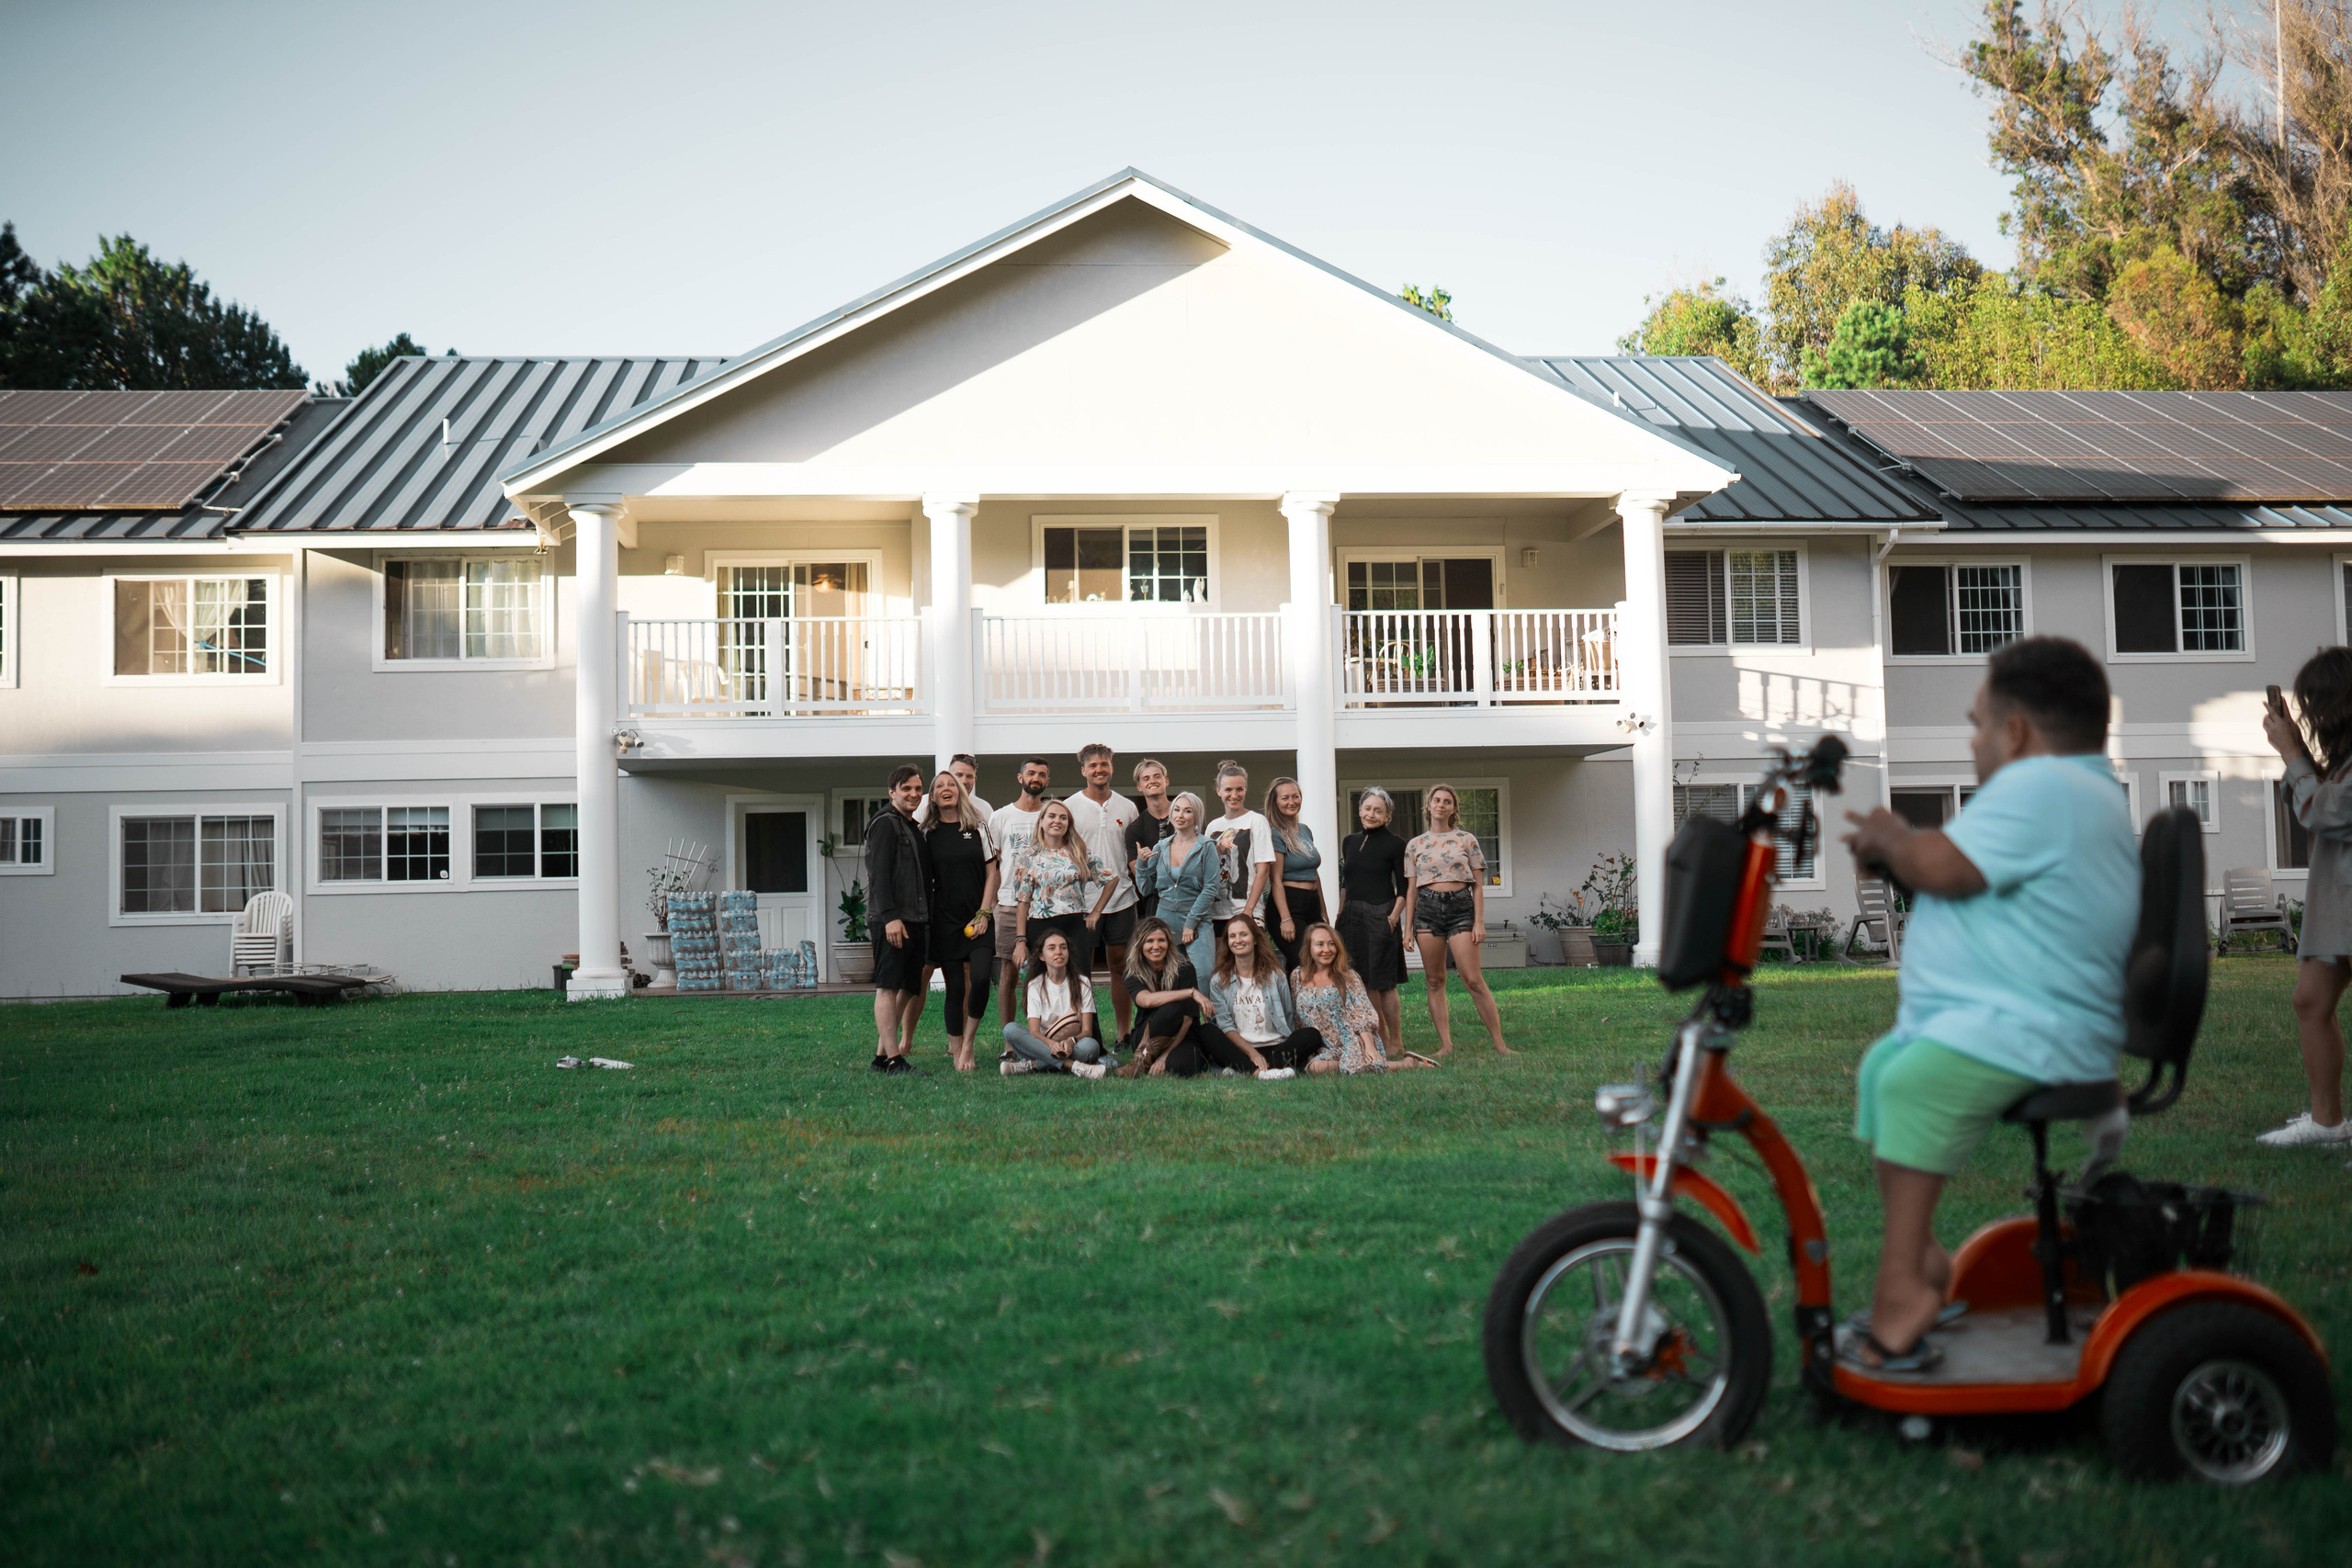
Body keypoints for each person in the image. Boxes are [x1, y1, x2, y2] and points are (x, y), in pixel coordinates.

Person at [1838, 636, 2138, 1371]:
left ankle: (1905, 1291)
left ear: (2016, 731)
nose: (1972, 741)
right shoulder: (2071, 790)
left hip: (2040, 1028)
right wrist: (1900, 856)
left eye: (1977, 725)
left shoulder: (2045, 786)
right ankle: (1924, 1257)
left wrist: (1893, 835)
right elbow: (1969, 878)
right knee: (1884, 1069)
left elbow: (1943, 865)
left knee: (1913, 1083)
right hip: (2014, 1018)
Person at [2258, 647, 2352, 1146]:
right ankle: (2327, 1123)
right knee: (2311, 1000)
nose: (2312, 715)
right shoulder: (2343, 761)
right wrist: (2298, 754)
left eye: (2316, 703)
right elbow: (2311, 798)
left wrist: (2292, 754)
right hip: (2335, 900)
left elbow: (2325, 812)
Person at [1401, 784, 1510, 1056]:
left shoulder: (1466, 839)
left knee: (1473, 979)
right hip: (1426, 910)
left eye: (1447, 801)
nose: (1441, 805)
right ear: (1428, 806)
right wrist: (1407, 928)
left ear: (1453, 809)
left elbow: (1478, 886)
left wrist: (1479, 922)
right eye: (1436, 800)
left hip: (1461, 908)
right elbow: (1411, 890)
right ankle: (1446, 1045)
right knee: (1434, 981)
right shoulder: (1415, 845)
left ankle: (1500, 1044)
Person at [922, 768, 1000, 1073]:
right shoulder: (927, 833)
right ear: (932, 797)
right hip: (945, 921)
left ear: (960, 792)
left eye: (951, 784)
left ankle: (969, 1042)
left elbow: (992, 872)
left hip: (978, 916)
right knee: (955, 987)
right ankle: (956, 1050)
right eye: (939, 785)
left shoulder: (977, 827)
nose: (946, 788)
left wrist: (984, 913)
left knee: (980, 979)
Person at [1066, 742, 1142, 1037]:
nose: (1099, 770)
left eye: (1104, 764)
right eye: (1093, 765)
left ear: (1111, 767)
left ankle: (1123, 1035)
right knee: (1080, 971)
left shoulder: (1127, 807)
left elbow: (1134, 853)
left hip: (1122, 898)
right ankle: (1086, 1035)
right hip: (1081, 902)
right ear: (1083, 771)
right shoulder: (1070, 807)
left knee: (1121, 967)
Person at [860, 763, 933, 1076]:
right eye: (906, 789)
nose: (914, 794)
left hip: (914, 918)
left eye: (918, 789)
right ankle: (894, 1059)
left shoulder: (912, 826)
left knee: (910, 985)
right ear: (892, 792)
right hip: (891, 920)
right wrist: (890, 917)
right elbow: (879, 875)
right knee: (888, 986)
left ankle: (881, 1058)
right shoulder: (885, 824)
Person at [1292, 922, 1433, 1075]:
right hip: (1322, 1047)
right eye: (1320, 944)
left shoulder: (1348, 977)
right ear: (1309, 948)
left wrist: (1369, 1047)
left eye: (1331, 944)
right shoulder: (1297, 976)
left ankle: (1405, 1064)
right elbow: (1297, 1017)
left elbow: (1362, 1011)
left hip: (1352, 1039)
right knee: (1315, 1067)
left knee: (1333, 1066)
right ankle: (1373, 1065)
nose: (1326, 950)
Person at [1010, 797, 1114, 994]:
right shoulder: (1028, 857)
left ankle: (1082, 1016)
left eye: (1063, 818)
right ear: (1041, 822)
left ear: (1068, 824)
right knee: (1041, 985)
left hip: (1074, 926)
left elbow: (1111, 879)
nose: (1057, 821)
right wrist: (1020, 941)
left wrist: (1096, 913)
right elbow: (1023, 902)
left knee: (1081, 983)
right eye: (1052, 816)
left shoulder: (1079, 852)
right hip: (1040, 926)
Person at [1336, 786, 1410, 1058]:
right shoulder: (1349, 842)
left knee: (1385, 982)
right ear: (1359, 811)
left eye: (1378, 810)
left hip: (1382, 914)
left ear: (1387, 815)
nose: (1371, 814)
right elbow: (1346, 883)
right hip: (1351, 916)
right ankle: (1379, 1037)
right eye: (1367, 809)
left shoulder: (1396, 844)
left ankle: (1396, 1041)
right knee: (1362, 981)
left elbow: (1404, 887)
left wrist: (1393, 918)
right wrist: (1340, 913)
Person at [1200, 918, 1321, 1079]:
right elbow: (1225, 1025)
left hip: (1276, 1046)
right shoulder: (1218, 981)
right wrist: (1252, 1053)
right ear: (1227, 942)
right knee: (1206, 1031)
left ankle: (1244, 1070)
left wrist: (1292, 1044)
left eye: (1243, 934)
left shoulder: (1276, 976)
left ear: (1255, 939)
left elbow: (1288, 1014)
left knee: (1312, 1035)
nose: (1238, 940)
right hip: (1241, 1049)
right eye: (1232, 936)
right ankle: (1260, 1072)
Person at [990, 758, 1052, 1031]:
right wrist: (995, 902)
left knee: (1045, 972)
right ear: (1020, 778)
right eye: (1031, 773)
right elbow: (992, 864)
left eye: (1041, 774)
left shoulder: (1051, 814)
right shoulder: (1001, 817)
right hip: (1009, 905)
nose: (1036, 778)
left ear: (1047, 781)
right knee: (1008, 973)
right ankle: (1010, 1038)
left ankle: (1043, 1033)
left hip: (1044, 906)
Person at [1001, 929, 1109, 1078]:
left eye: (1063, 947)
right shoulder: (1035, 985)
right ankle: (1075, 1066)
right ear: (1042, 956)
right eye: (1051, 948)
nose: (1058, 952)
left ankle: (1031, 1065)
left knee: (1091, 1046)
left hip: (1071, 1046)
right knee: (1010, 1029)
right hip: (1042, 1045)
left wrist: (1071, 1042)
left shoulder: (1082, 983)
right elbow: (1034, 1032)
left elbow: (1087, 1031)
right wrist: (1051, 1045)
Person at [1114, 917, 1202, 1077]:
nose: (1156, 946)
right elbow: (1146, 1000)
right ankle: (1139, 1062)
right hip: (1146, 1035)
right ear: (1140, 945)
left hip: (1181, 1035)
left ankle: (1152, 1061)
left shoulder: (1185, 969)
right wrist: (1190, 992)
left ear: (1169, 943)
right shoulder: (1133, 972)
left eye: (1161, 940)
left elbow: (1188, 1020)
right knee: (1172, 1008)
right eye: (1149, 941)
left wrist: (1164, 1057)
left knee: (1179, 1067)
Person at [1261, 775, 1328, 971]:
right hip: (1289, 903)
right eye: (1285, 798)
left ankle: (1297, 991)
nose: (1291, 802)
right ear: (1275, 802)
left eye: (1295, 796)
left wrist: (1323, 912)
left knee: (1316, 960)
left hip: (1311, 902)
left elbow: (1314, 874)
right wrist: (1285, 918)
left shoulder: (1305, 830)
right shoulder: (1275, 833)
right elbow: (1275, 879)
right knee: (1303, 960)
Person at [1206, 760, 1277, 943]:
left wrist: (1248, 910)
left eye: (1239, 789)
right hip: (1216, 912)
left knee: (1249, 959)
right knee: (1221, 961)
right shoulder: (1213, 826)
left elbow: (1263, 870)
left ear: (1246, 789)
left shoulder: (1257, 821)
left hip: (1246, 910)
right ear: (1219, 791)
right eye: (1228, 790)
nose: (1234, 795)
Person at [1153, 791, 1222, 981]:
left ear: (1196, 816)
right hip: (1165, 920)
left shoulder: (1207, 846)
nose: (1180, 815)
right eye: (1176, 810)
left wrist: (1190, 924)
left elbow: (1211, 888)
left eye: (1187, 811)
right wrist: (1142, 863)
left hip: (1197, 920)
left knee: (1204, 974)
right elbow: (1145, 888)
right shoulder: (1160, 847)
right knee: (1170, 977)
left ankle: (1206, 1004)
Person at [1125, 758, 1175, 923]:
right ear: (1139, 786)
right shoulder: (1135, 829)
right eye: (1146, 778)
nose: (1152, 781)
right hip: (1154, 904)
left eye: (1156, 776)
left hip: (1189, 899)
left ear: (1166, 781)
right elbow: (1142, 878)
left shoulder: (1187, 817)